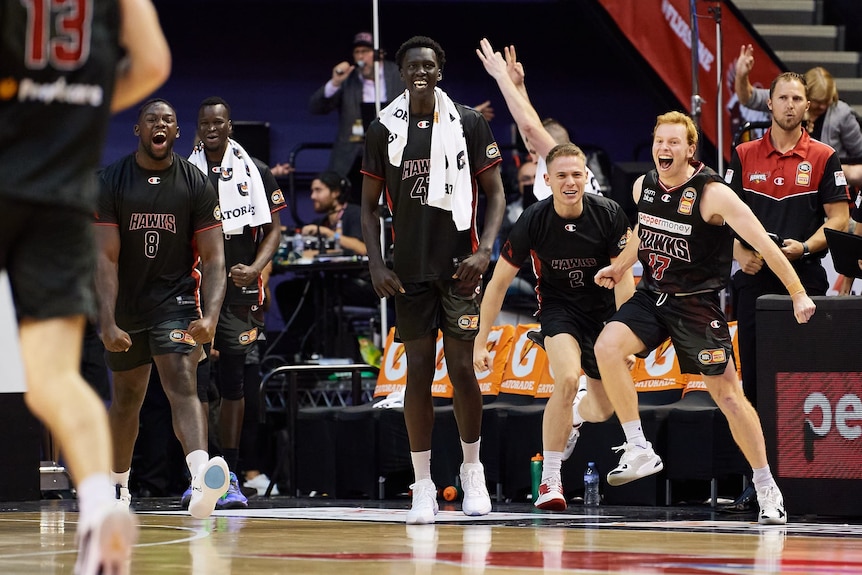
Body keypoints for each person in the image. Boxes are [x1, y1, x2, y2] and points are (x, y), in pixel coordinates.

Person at [0, 0, 169, 572]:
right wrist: (70, 118)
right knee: (52, 378)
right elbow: (150, 62)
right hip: (60, 196)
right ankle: (99, 508)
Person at [592, 111, 817, 526]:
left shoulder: (714, 193)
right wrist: (622, 267)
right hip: (652, 296)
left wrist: (798, 294)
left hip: (696, 305)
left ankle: (767, 486)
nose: (664, 149)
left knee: (729, 397)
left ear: (690, 149)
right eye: (660, 141)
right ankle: (639, 446)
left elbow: (765, 247)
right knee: (607, 345)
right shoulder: (645, 185)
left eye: (674, 142)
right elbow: (644, 231)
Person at [360, 35, 506, 524]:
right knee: (418, 373)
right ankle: (422, 484)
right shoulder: (384, 128)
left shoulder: (468, 122)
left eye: (428, 65)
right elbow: (366, 205)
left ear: (439, 71)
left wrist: (486, 249)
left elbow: (496, 194)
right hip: (409, 271)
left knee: (463, 370)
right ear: (402, 73)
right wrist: (377, 264)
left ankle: (472, 471)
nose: (420, 71)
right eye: (412, 66)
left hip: (460, 269)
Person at [474, 143, 634, 511]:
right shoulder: (533, 219)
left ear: (587, 178)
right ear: (547, 180)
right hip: (558, 312)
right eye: (561, 175)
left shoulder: (608, 214)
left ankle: (575, 415)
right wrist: (480, 342)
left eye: (577, 174)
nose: (570, 182)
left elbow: (624, 280)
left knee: (602, 409)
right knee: (565, 379)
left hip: (601, 315)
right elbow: (497, 284)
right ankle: (550, 479)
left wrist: (625, 340)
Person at [95, 98, 230, 520]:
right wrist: (108, 319)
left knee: (181, 378)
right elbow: (105, 259)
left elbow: (214, 259)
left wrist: (209, 316)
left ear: (176, 133)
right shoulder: (111, 181)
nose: (160, 125)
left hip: (174, 300)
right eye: (151, 119)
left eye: (168, 120)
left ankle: (199, 478)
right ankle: (118, 486)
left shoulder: (195, 182)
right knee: (128, 398)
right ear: (138, 130)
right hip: (126, 304)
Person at [725, 72, 852, 510]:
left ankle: (807, 475)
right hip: (753, 283)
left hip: (806, 278)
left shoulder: (824, 156)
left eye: (797, 98)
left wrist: (806, 246)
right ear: (770, 104)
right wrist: (741, 252)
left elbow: (838, 218)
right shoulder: (743, 154)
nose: (790, 104)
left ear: (807, 106)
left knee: (803, 381)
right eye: (783, 97)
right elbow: (720, 215)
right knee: (755, 383)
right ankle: (757, 482)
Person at [190, 96, 287, 507]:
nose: (212, 128)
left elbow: (274, 230)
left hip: (238, 292)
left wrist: (256, 266)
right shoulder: (185, 172)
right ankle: (197, 473)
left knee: (233, 383)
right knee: (192, 385)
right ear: (198, 128)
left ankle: (229, 472)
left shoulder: (257, 171)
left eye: (219, 122)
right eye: (205, 123)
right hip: (192, 289)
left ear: (230, 126)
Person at [476, 39, 603, 202]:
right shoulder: (570, 165)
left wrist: (501, 77)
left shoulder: (560, 161)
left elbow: (530, 127)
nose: (531, 155)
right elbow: (528, 127)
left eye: (535, 150)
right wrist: (518, 86)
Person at [734, 44, 862, 186]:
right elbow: (748, 98)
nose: (822, 106)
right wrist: (741, 75)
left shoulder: (842, 114)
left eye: (827, 101)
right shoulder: (789, 100)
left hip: (826, 183)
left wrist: (836, 170)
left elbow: (859, 156)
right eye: (817, 102)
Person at [309, 31, 404, 191]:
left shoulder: (398, 74)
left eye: (365, 52)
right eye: (357, 52)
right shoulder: (348, 79)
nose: (361, 57)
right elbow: (316, 107)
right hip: (354, 158)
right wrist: (335, 83)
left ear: (379, 54)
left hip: (392, 153)